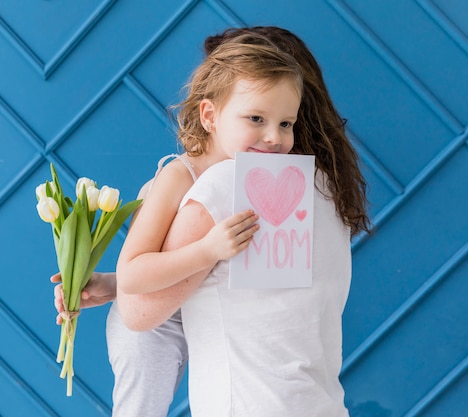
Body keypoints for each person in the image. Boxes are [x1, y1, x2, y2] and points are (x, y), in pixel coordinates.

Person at [53, 26, 370, 416]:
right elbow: (142, 289)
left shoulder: (264, 182)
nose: (273, 137)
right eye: (256, 117)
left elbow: (205, 286)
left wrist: (115, 284)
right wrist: (204, 250)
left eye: (285, 123)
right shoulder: (182, 177)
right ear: (211, 114)